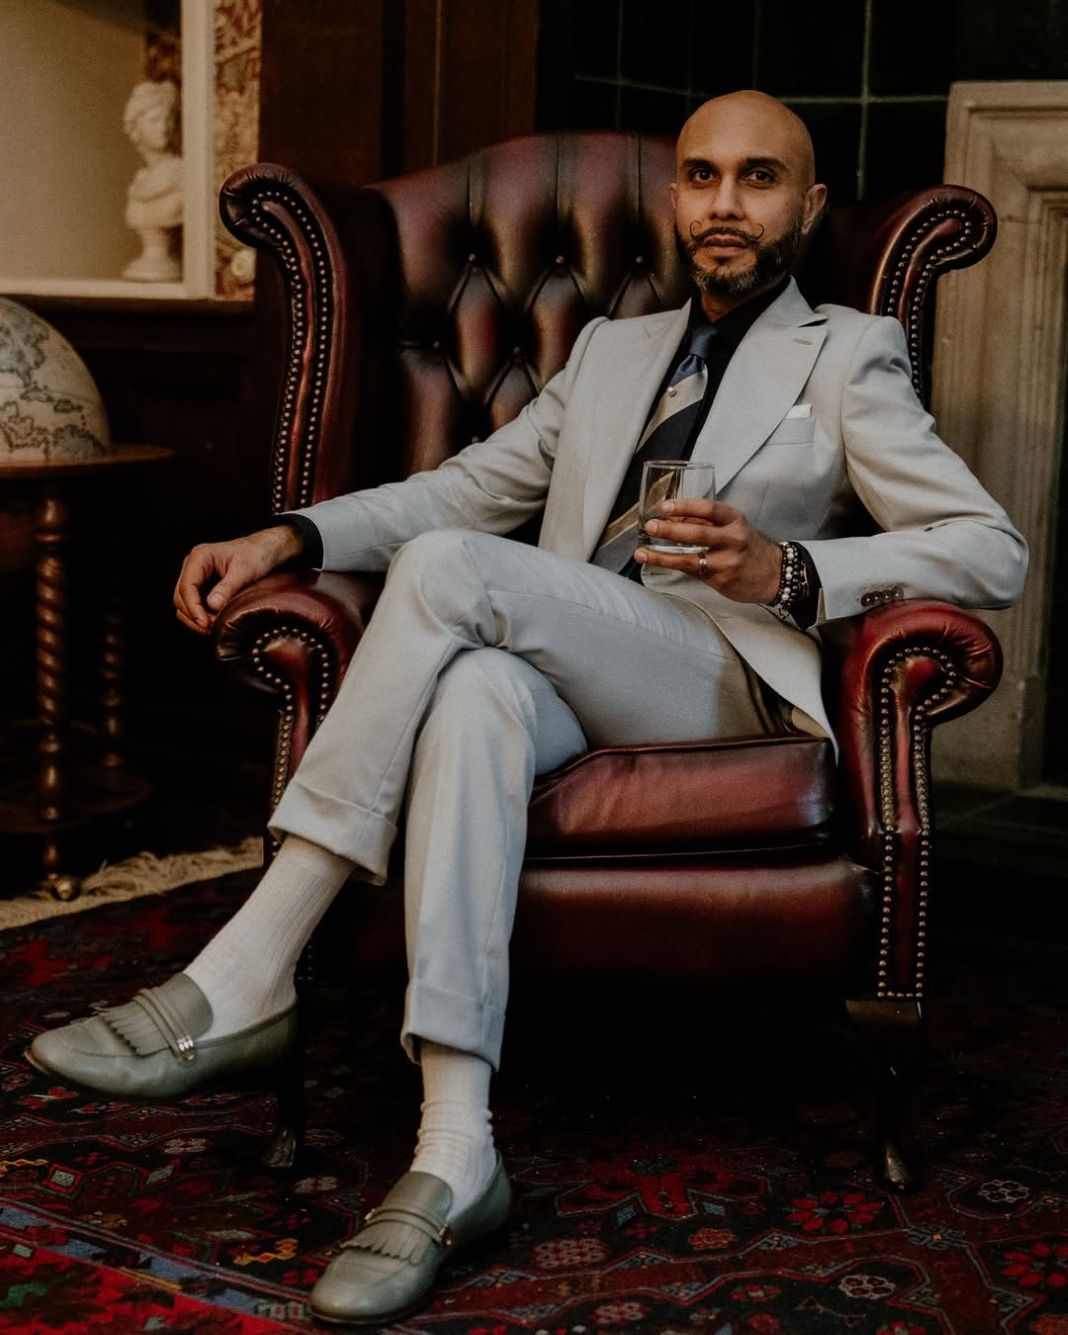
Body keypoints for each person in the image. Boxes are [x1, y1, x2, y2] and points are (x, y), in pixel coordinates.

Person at [29, 91, 1027, 1326]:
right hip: (569, 670)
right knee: (476, 692)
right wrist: (288, 531)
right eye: (703, 177)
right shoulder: (612, 354)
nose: (724, 204)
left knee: (454, 578)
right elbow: (460, 488)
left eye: (758, 179)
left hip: (720, 684)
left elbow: (991, 549)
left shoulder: (849, 351)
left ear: (808, 207)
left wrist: (795, 572)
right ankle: (455, 1152)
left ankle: (254, 959)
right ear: (679, 199)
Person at [122, 80, 183, 282]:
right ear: (136, 126)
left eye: (168, 120)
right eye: (155, 120)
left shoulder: (181, 173)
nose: (164, 128)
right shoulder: (140, 180)